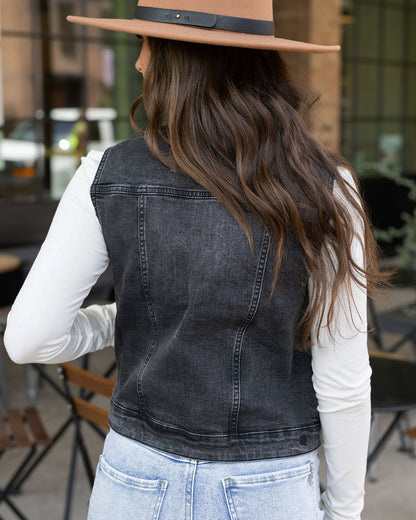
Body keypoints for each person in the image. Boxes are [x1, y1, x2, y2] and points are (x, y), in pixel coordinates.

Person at [4, 1, 383, 519]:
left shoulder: (105, 172)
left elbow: (29, 339)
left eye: (145, 44)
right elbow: (342, 384)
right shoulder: (328, 187)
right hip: (268, 484)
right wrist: (345, 511)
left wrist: (123, 318)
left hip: (135, 476)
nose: (138, 63)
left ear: (175, 59)